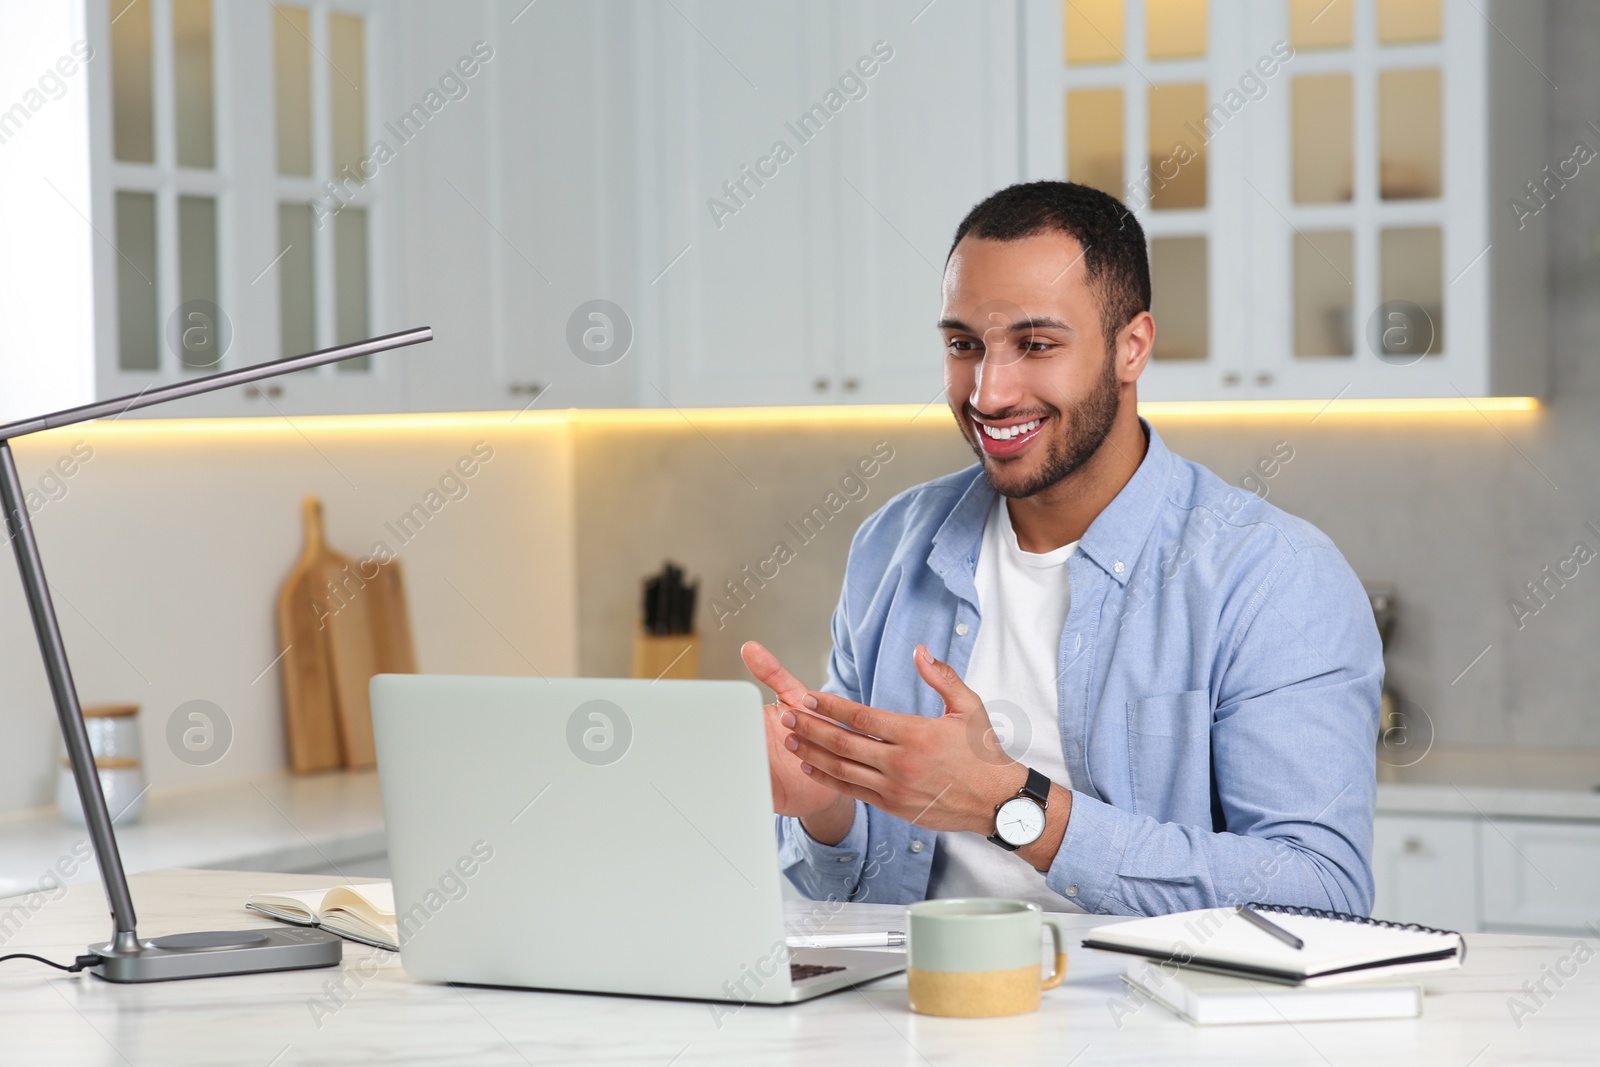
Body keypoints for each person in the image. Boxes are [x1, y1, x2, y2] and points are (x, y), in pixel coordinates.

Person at [740, 180, 1382, 917]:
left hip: (1153, 1022)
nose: (988, 392)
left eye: (1035, 344)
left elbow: (1323, 895)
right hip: (918, 1009)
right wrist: (824, 810)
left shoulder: (1272, 576)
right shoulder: (893, 544)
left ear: (1131, 347)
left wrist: (1010, 804)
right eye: (964, 345)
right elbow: (842, 900)